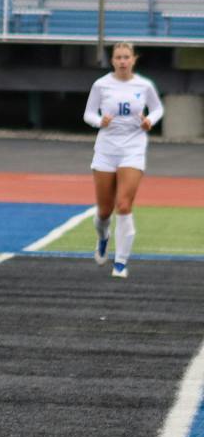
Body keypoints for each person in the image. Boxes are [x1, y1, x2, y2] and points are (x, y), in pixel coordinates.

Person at [85, 42, 163, 279]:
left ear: (133, 59)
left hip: (133, 147)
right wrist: (100, 122)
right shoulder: (101, 85)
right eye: (118, 57)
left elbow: (158, 109)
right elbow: (88, 113)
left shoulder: (144, 85)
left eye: (126, 57)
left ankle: (120, 262)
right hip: (106, 148)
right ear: (112, 61)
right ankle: (102, 237)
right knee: (104, 210)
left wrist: (150, 121)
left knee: (124, 205)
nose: (122, 61)